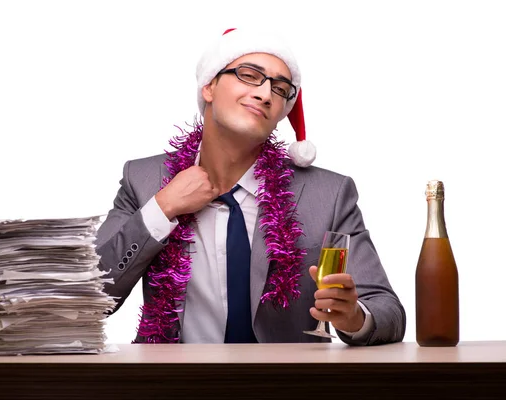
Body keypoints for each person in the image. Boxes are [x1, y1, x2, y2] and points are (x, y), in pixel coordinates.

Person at [95, 27, 406, 345]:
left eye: (281, 88)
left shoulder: (328, 195)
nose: (265, 94)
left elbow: (388, 312)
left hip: (285, 386)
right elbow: (93, 297)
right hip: (176, 386)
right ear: (210, 87)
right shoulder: (144, 180)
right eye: (248, 75)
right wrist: (161, 209)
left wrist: (354, 317)